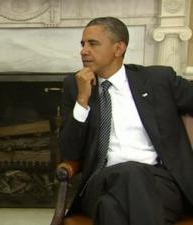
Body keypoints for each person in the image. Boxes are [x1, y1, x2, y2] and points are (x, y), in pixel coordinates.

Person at [60, 16, 193, 225]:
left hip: (160, 182)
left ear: (119, 48)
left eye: (93, 44)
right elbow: (69, 151)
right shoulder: (74, 85)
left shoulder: (158, 80)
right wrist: (82, 100)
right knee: (131, 172)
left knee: (110, 207)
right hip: (101, 180)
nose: (83, 50)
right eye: (83, 44)